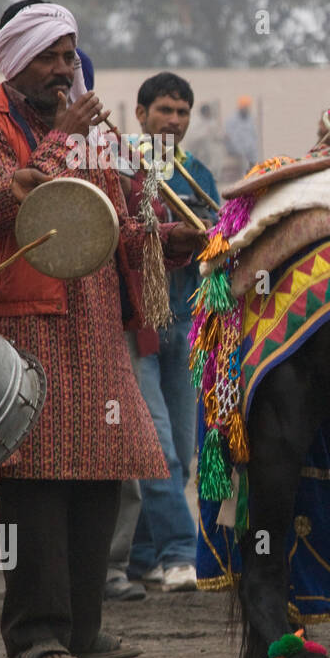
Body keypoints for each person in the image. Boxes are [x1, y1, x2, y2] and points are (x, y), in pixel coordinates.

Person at [0, 0, 205, 658]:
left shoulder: (102, 140)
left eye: (70, 56)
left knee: (101, 473)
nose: (65, 69)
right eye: (50, 57)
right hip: (26, 323)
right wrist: (62, 137)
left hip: (98, 324)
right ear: (16, 62)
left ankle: (82, 625)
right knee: (36, 478)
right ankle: (34, 631)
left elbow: (121, 225)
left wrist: (168, 239)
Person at [117, 71, 219, 593]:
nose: (174, 121)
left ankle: (141, 557)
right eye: (164, 111)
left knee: (182, 445)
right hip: (139, 327)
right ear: (140, 115)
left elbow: (218, 242)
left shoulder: (196, 171)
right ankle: (181, 552)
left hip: (186, 324)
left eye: (182, 113)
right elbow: (126, 236)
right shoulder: (124, 166)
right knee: (160, 448)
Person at [224, 95, 260, 175]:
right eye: (244, 107)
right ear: (240, 107)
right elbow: (231, 138)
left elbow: (253, 135)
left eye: (247, 107)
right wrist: (240, 149)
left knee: (254, 164)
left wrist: (252, 148)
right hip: (237, 150)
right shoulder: (232, 120)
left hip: (250, 150)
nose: (246, 109)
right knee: (244, 166)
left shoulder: (251, 119)